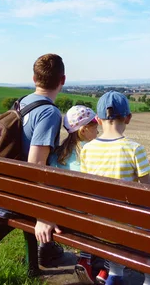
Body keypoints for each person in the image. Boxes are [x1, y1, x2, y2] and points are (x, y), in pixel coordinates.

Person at [80, 91, 150, 285]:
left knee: (115, 224)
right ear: (128, 118)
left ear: (97, 120)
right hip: (126, 228)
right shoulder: (134, 149)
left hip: (97, 226)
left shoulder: (87, 149)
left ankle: (114, 273)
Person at [20, 53, 66, 267]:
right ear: (62, 80)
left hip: (7, 186)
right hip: (25, 191)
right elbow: (36, 164)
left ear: (34, 79)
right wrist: (42, 215)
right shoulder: (49, 113)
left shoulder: (22, 102)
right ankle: (45, 247)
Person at [48, 105, 102, 283]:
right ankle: (105, 268)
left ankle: (86, 259)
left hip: (64, 217)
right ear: (85, 130)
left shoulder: (57, 153)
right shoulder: (95, 153)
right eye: (95, 127)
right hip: (88, 218)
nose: (98, 130)